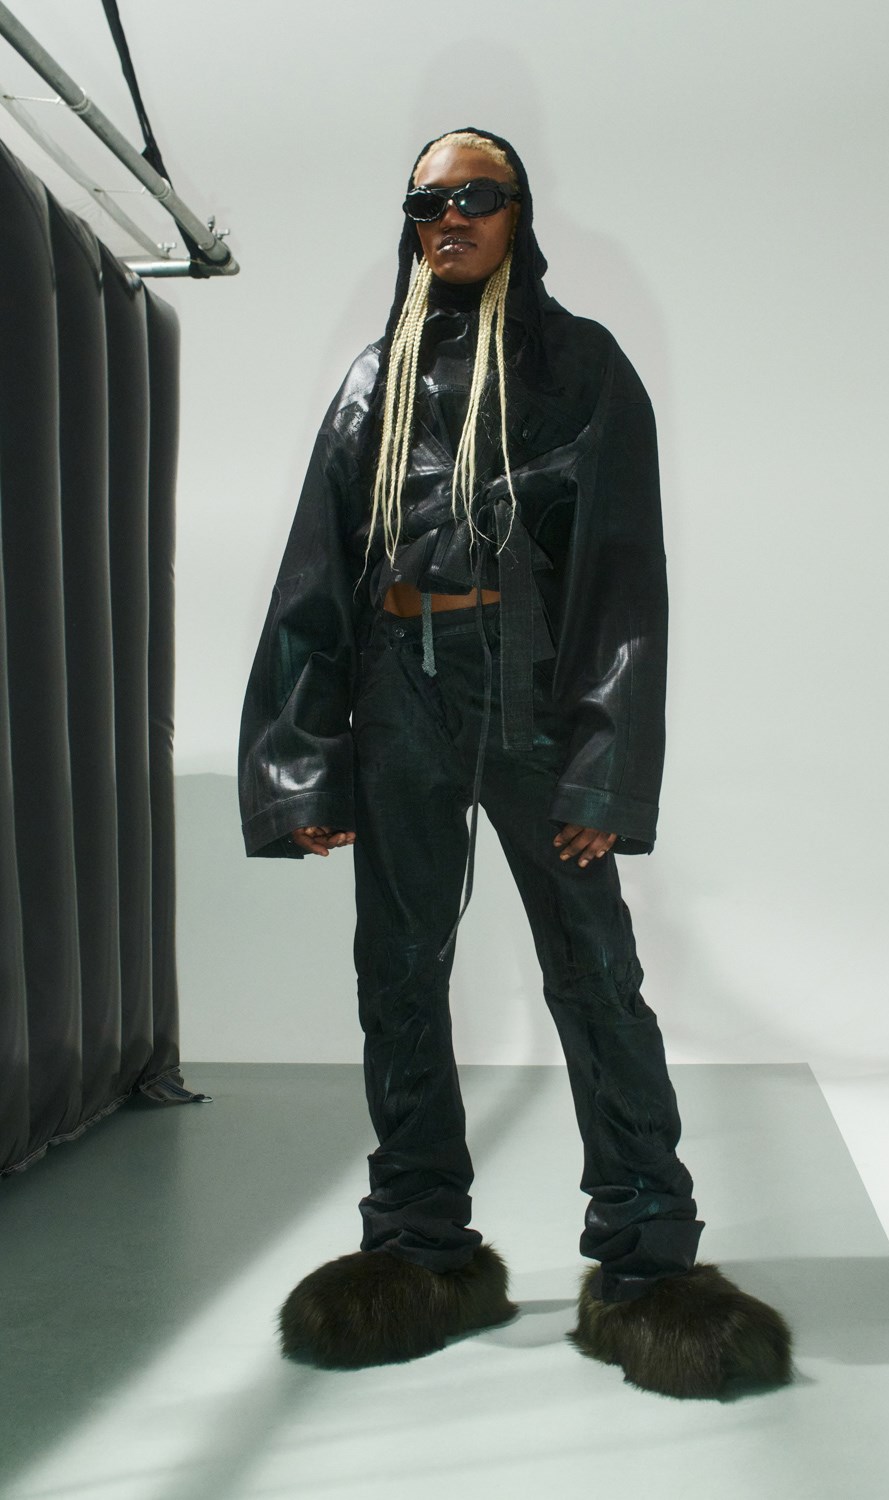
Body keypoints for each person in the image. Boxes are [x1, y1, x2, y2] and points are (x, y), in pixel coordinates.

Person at [238, 127, 791, 1398]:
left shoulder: (580, 368)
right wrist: (303, 763)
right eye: (426, 201)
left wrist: (603, 768)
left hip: (528, 687)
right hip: (398, 688)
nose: (449, 217)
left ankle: (647, 1257)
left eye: (474, 196)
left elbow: (623, 582)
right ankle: (417, 1241)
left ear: (517, 213)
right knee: (397, 969)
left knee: (593, 968)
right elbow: (317, 575)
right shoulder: (374, 381)